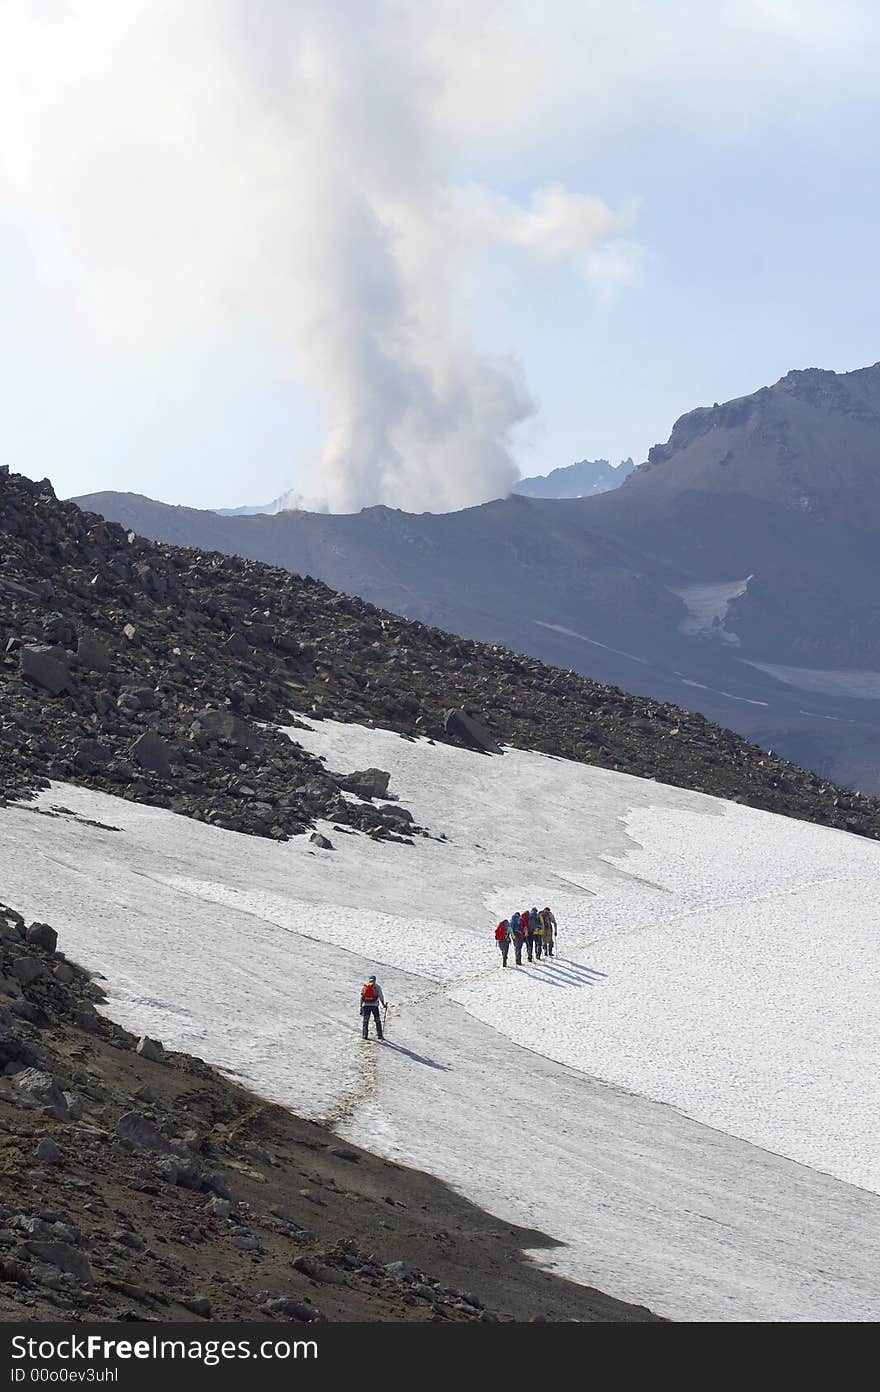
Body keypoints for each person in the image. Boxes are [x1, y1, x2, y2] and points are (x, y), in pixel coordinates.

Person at [360, 975, 386, 1039]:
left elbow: (362, 997)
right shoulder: (377, 986)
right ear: (375, 980)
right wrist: (383, 1005)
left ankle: (365, 1035)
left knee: (365, 1020)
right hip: (374, 1006)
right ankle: (380, 1035)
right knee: (377, 1020)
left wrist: (361, 1006)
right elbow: (381, 996)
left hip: (366, 1005)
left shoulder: (365, 986)